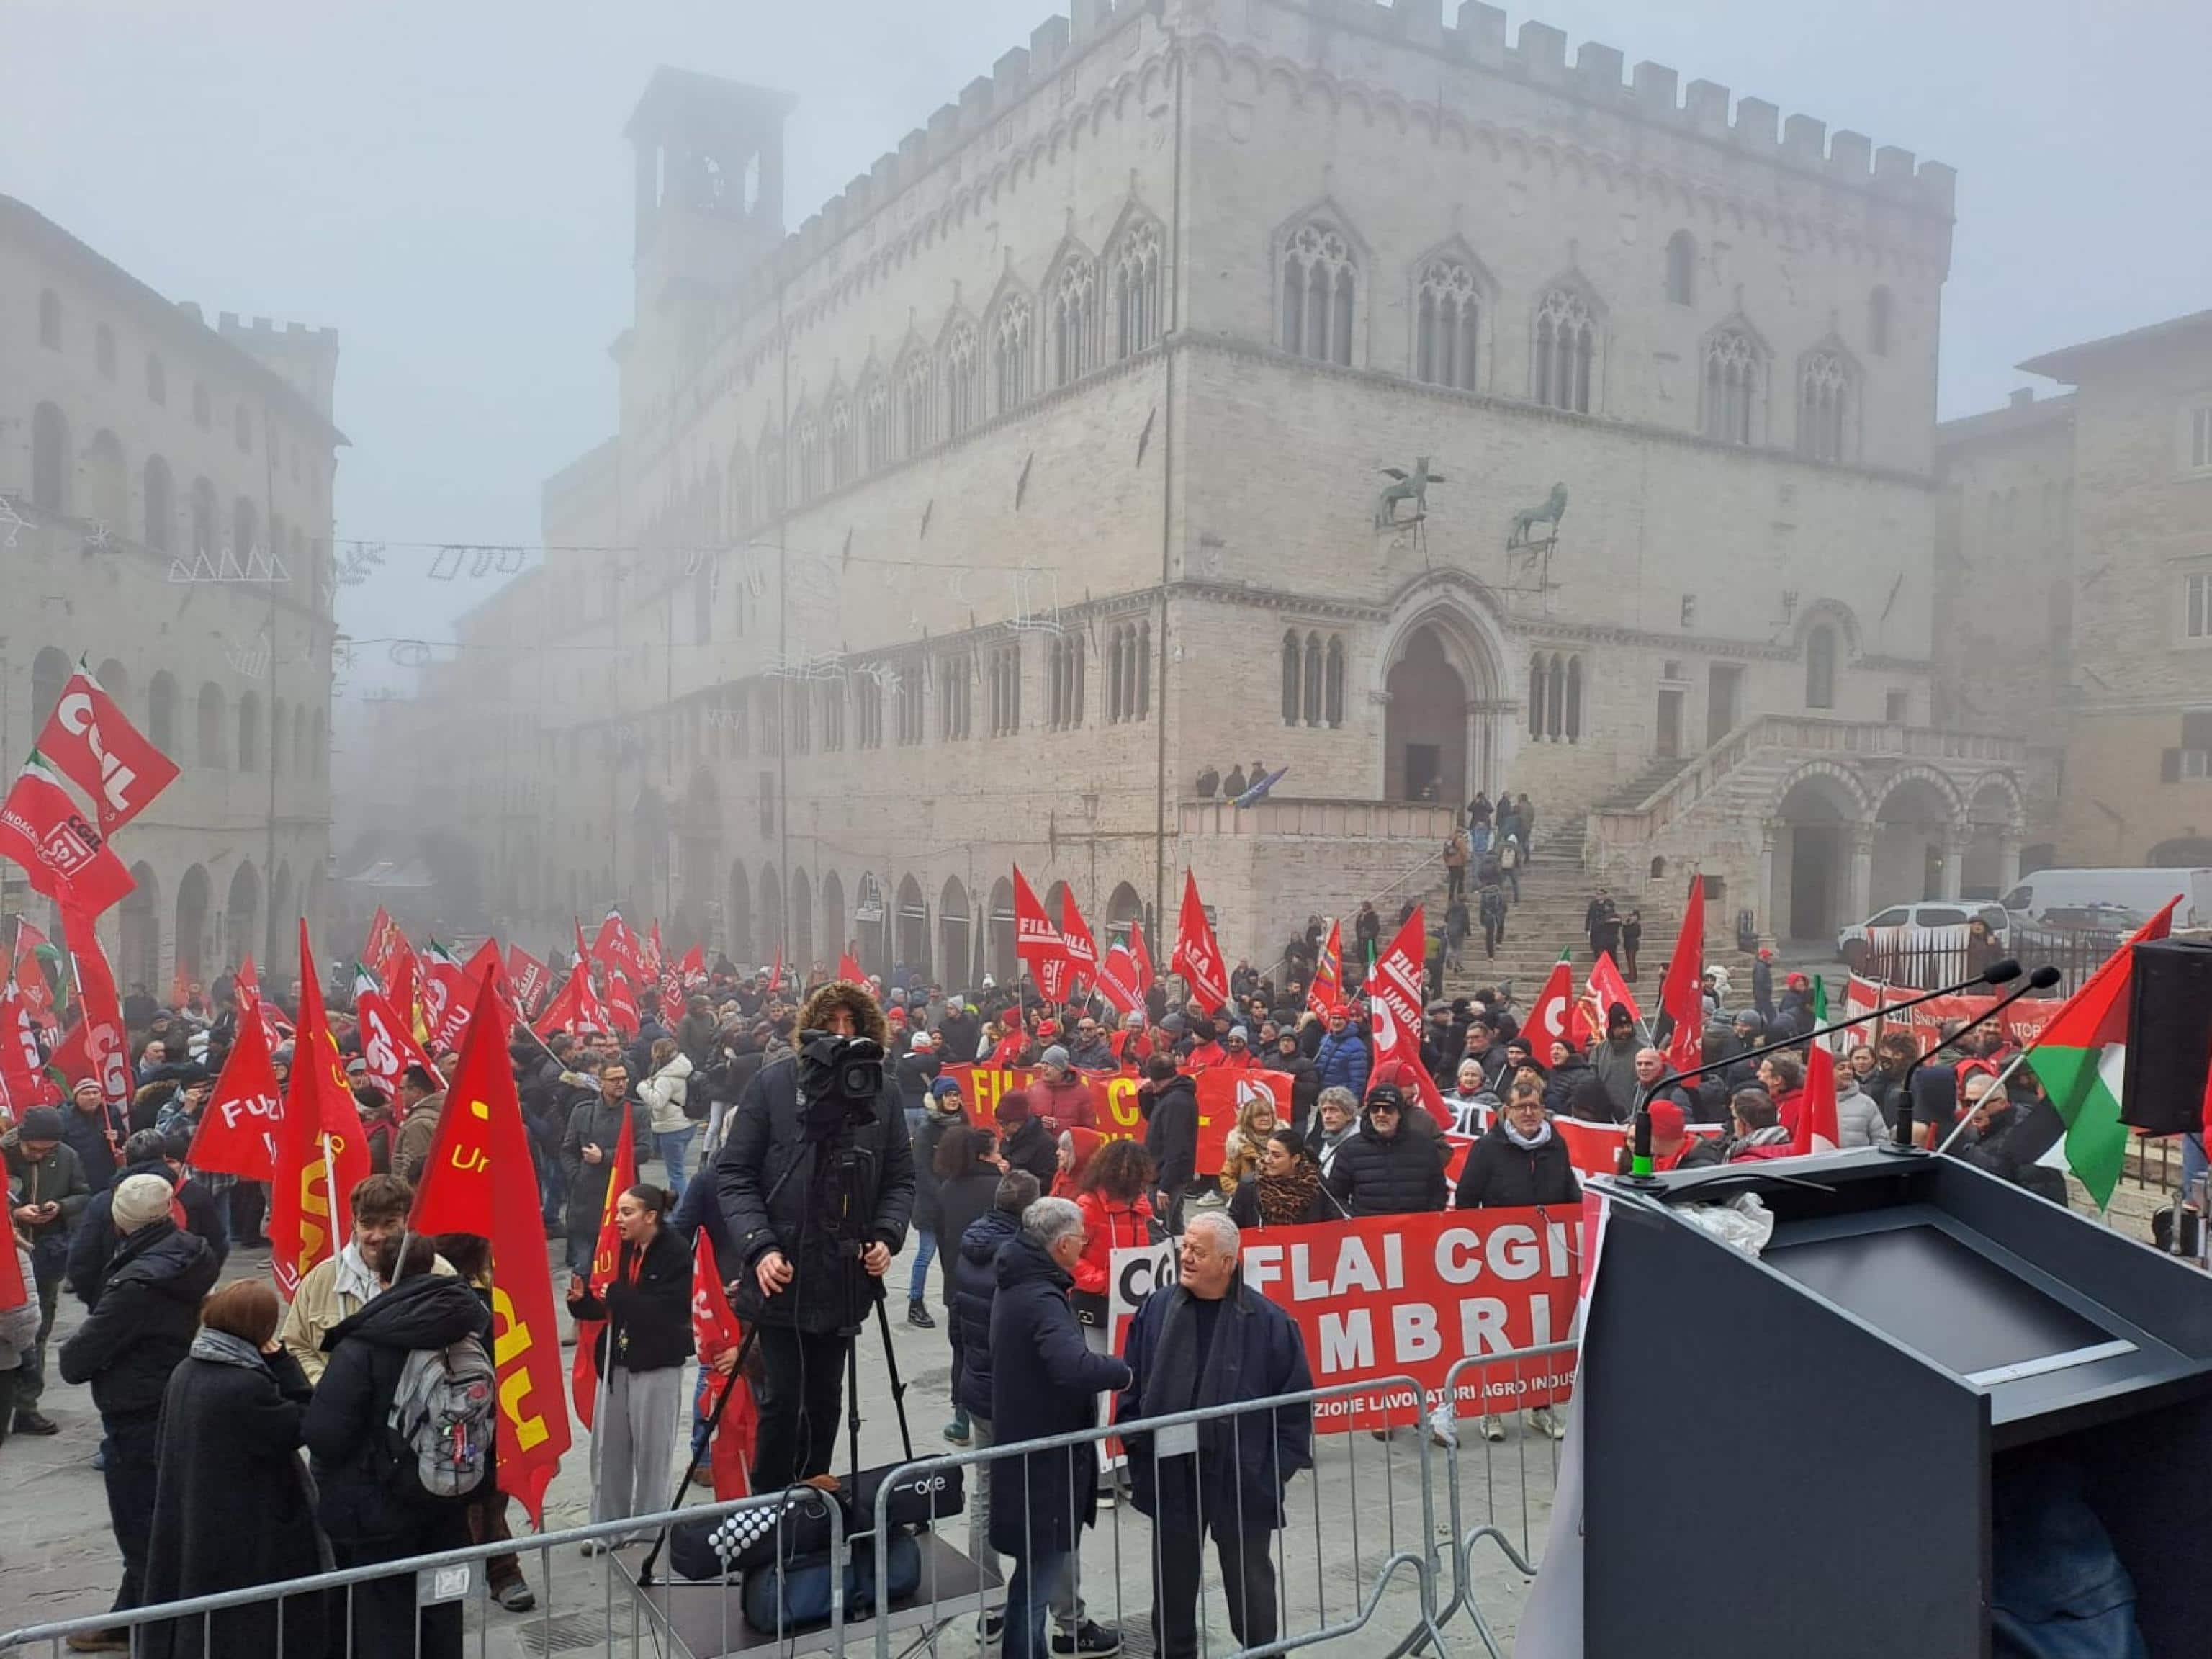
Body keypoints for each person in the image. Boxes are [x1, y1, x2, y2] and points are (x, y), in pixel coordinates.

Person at [714, 979, 915, 1491]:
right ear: (813, 1029)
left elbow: (900, 1177)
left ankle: (813, 1492)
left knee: (827, 1396)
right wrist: (759, 1245)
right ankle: (767, 1504)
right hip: (781, 1274)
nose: (843, 1034)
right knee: (783, 1398)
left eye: (853, 1024)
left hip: (844, 1275)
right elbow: (734, 1173)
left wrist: (886, 1237)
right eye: (833, 1024)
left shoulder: (883, 1090)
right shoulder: (774, 1084)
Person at [1120, 1212, 1313, 1659]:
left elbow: (1294, 1407)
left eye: (1198, 1252)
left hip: (1241, 1478)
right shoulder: (1157, 1308)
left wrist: (1273, 1471)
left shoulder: (1269, 1322)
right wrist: (1137, 1451)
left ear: (1228, 1262)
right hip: (1173, 1474)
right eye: (1184, 1247)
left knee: (1251, 1588)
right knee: (1172, 1586)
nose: (1185, 1258)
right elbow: (1133, 1381)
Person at [302, 1235, 489, 1659]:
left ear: (379, 1275)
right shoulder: (471, 1324)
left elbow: (326, 1436)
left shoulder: (364, 1343)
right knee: (442, 1611)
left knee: (385, 1619)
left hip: (380, 1507)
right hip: (448, 1492)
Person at [56, 1174, 220, 1650]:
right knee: (163, 1518)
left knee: (142, 1523)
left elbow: (74, 1362)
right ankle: (136, 1613)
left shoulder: (136, 1284)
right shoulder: (195, 1250)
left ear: (121, 1222)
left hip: (138, 1408)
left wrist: (86, 1342)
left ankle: (153, 1627)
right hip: (176, 1390)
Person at [139, 1280, 327, 1659]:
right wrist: (284, 1364)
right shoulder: (244, 1385)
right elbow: (303, 1423)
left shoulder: (187, 1370)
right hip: (245, 1532)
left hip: (195, 1514)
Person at [989, 1197, 1134, 1659]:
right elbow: (1073, 1368)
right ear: (1064, 1244)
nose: (1085, 1248)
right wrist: (1123, 1371)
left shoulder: (1022, 1280)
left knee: (1031, 1578)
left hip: (1028, 1447)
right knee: (1035, 1582)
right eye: (1083, 1242)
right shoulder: (1042, 1297)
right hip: (1044, 1460)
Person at [566, 1182, 691, 1547]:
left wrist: (618, 1296)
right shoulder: (620, 1249)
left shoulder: (676, 1252)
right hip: (616, 1361)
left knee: (653, 1452)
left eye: (627, 1212)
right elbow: (607, 1305)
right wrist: (581, 1303)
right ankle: (607, 1528)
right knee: (608, 1450)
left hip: (657, 1363)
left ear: (650, 1216)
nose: (618, 1220)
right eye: (617, 1211)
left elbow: (667, 1312)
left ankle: (649, 1529)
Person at [279, 1174, 436, 1384]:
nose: (377, 1236)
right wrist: (327, 1385)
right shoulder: (322, 1278)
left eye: (389, 1224)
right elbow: (296, 1346)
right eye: (367, 1224)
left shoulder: (438, 1274)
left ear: (407, 1221)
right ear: (354, 1222)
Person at [5, 1103, 90, 1437]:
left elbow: (83, 1193)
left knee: (37, 1331)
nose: (40, 1155)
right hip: (8, 1254)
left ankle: (27, 1406)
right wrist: (15, 1214)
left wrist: (61, 1207)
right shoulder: (4, 1153)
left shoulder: (66, 1156)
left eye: (48, 1149)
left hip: (45, 1253)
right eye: (35, 1149)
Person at [562, 1061, 646, 1279]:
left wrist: (605, 1157)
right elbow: (567, 1150)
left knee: (621, 1267)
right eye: (615, 1079)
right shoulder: (582, 1112)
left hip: (623, 1196)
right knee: (583, 1266)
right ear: (602, 1083)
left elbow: (645, 1151)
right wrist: (576, 1176)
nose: (621, 1083)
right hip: (586, 1200)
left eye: (624, 1078)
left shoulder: (637, 1112)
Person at [1326, 1084, 1447, 1217]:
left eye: (1388, 1109)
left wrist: (1428, 1219)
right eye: (1375, 1109)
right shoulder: (1349, 1149)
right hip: (1367, 1232)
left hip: (1416, 1230)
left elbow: (1438, 1191)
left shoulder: (1424, 1146)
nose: (1381, 1114)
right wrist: (1353, 1220)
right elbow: (1335, 1196)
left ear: (1400, 1113)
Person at [1228, 1129, 1339, 1228]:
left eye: (1276, 1156)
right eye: (1267, 1153)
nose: (1267, 1160)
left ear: (1295, 1159)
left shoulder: (1318, 1184)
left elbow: (1333, 1224)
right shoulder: (1249, 1185)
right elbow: (1233, 1226)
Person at [636, 1037, 698, 1209]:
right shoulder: (683, 1067)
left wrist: (642, 1088)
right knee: (676, 1170)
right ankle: (675, 1204)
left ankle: (684, 1208)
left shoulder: (665, 1077)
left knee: (676, 1173)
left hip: (671, 1127)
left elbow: (657, 1102)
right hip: (687, 1123)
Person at [1611, 1100, 1723, 1176]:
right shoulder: (1659, 1158)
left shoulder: (1700, 1168)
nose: (1642, 1140)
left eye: (1644, 1133)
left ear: (1658, 1136)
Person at [390, 1063, 445, 1187]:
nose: (400, 1094)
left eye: (402, 1089)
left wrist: (403, 1199)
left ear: (416, 1092)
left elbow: (413, 1172)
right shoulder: (443, 1111)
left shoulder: (418, 1125)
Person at [1216, 1091, 1279, 1197]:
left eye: (1269, 1114)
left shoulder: (1284, 1142)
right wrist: (1244, 1194)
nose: (1266, 1119)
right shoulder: (1239, 1145)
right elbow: (1227, 1177)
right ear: (1249, 1119)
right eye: (1259, 1116)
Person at [994, 1089, 1059, 1187]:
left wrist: (1012, 1174)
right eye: (998, 1123)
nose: (1001, 1129)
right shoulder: (1007, 1139)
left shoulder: (1046, 1145)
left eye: (1004, 1124)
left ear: (1018, 1122)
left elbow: (1047, 1184)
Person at [1589, 1004, 1641, 1122]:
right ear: (1612, 1029)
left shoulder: (1642, 1050)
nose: (1626, 1030)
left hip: (1633, 1117)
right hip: (1605, 1116)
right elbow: (1593, 1081)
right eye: (1621, 1027)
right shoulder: (1599, 1050)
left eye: (1628, 1026)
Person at [1029, 1046, 1100, 1128]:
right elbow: (1023, 1122)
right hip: (1038, 1140)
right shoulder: (1032, 1089)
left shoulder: (1083, 1093)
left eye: (1050, 1064)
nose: (1044, 1068)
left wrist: (1065, 1131)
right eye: (1043, 1063)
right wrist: (1037, 1122)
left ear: (1061, 1069)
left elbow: (1089, 1128)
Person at [1313, 1007, 1370, 1098]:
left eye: (1340, 1019)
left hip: (1341, 1099)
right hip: (1324, 1096)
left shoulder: (1357, 1046)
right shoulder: (1325, 1039)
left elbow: (1358, 1080)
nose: (1336, 1022)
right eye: (1334, 1018)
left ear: (1347, 1021)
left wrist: (1351, 1101)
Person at [1305, 1086, 1360, 1178]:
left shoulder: (1361, 1145)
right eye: (1324, 1110)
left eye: (1333, 1110)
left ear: (1349, 1114)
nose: (1327, 1116)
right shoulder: (1328, 1138)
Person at [1724, 1090, 1794, 1161]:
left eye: (1735, 1118)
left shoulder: (1741, 1161)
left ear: (1744, 1124)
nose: (1733, 1122)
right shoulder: (1797, 1152)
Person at [1442, 1059, 1495, 1136]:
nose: (1470, 1078)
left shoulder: (1491, 1098)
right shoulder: (1453, 1096)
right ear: (1460, 1078)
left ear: (1481, 1079)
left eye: (1474, 1075)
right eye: (1466, 1074)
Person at [1621, 909, 1644, 981]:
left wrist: (1628, 926)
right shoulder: (1627, 924)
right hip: (1627, 944)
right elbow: (1624, 933)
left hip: (1633, 945)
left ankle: (1633, 977)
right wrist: (1627, 925)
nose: (1631, 917)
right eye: (1630, 915)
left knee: (1632, 960)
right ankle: (1631, 975)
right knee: (1629, 960)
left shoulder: (1637, 925)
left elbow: (1635, 934)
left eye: (1633, 916)